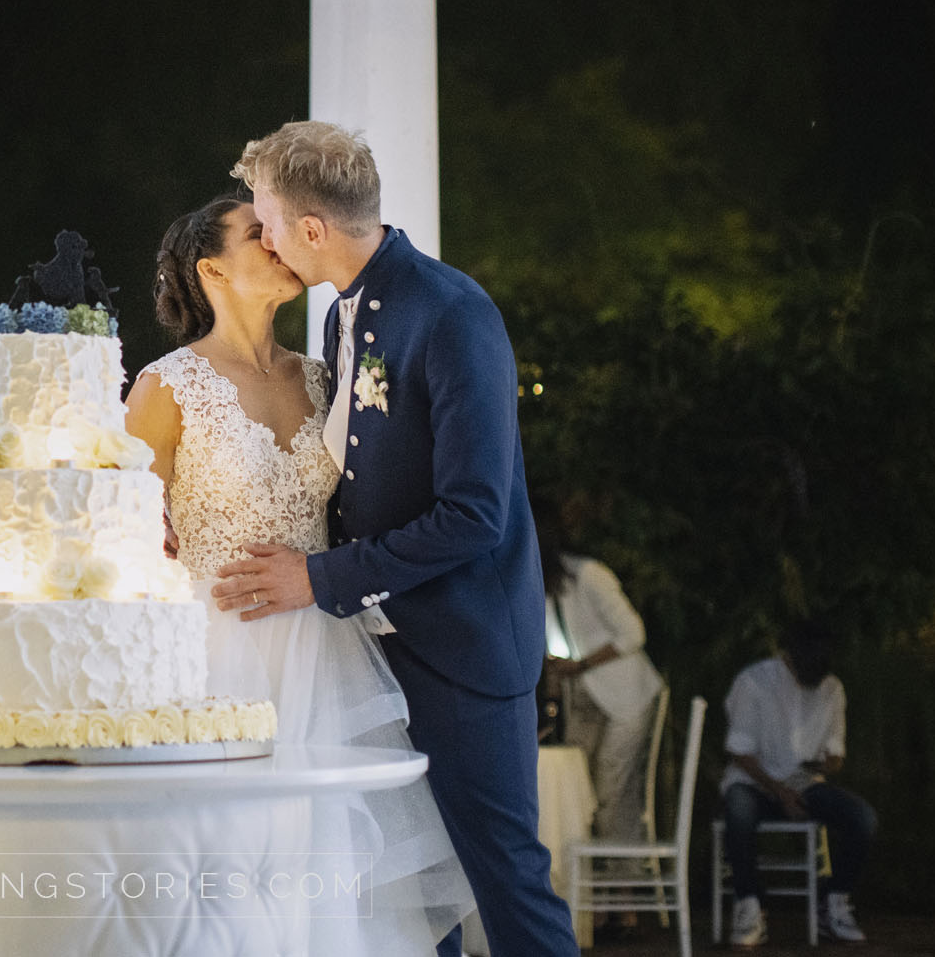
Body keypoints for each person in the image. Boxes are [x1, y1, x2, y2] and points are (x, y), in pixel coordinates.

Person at [208, 121, 579, 957]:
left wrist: (321, 579)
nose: (262, 238)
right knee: (414, 896)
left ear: (311, 230)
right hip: (373, 659)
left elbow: (474, 513)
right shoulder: (345, 315)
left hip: (466, 650)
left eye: (266, 220)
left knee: (506, 882)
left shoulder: (452, 312)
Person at [125, 194, 475, 955]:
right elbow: (123, 531)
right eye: (260, 235)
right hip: (215, 654)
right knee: (229, 867)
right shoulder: (166, 386)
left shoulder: (323, 378)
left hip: (325, 648)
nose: (279, 243)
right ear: (212, 268)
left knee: (332, 866)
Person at [536, 500, 665, 940]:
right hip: (584, 698)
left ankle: (624, 908)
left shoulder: (590, 574)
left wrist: (580, 665)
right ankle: (586, 906)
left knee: (615, 792)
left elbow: (633, 633)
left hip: (627, 697)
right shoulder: (543, 586)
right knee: (582, 791)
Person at [720, 620, 873, 946]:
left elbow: (835, 753)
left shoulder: (832, 688)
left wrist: (825, 765)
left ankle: (833, 901)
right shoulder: (754, 682)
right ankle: (749, 904)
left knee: (862, 818)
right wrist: (780, 791)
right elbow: (739, 752)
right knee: (738, 810)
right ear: (788, 657)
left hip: (804, 782)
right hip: (753, 781)